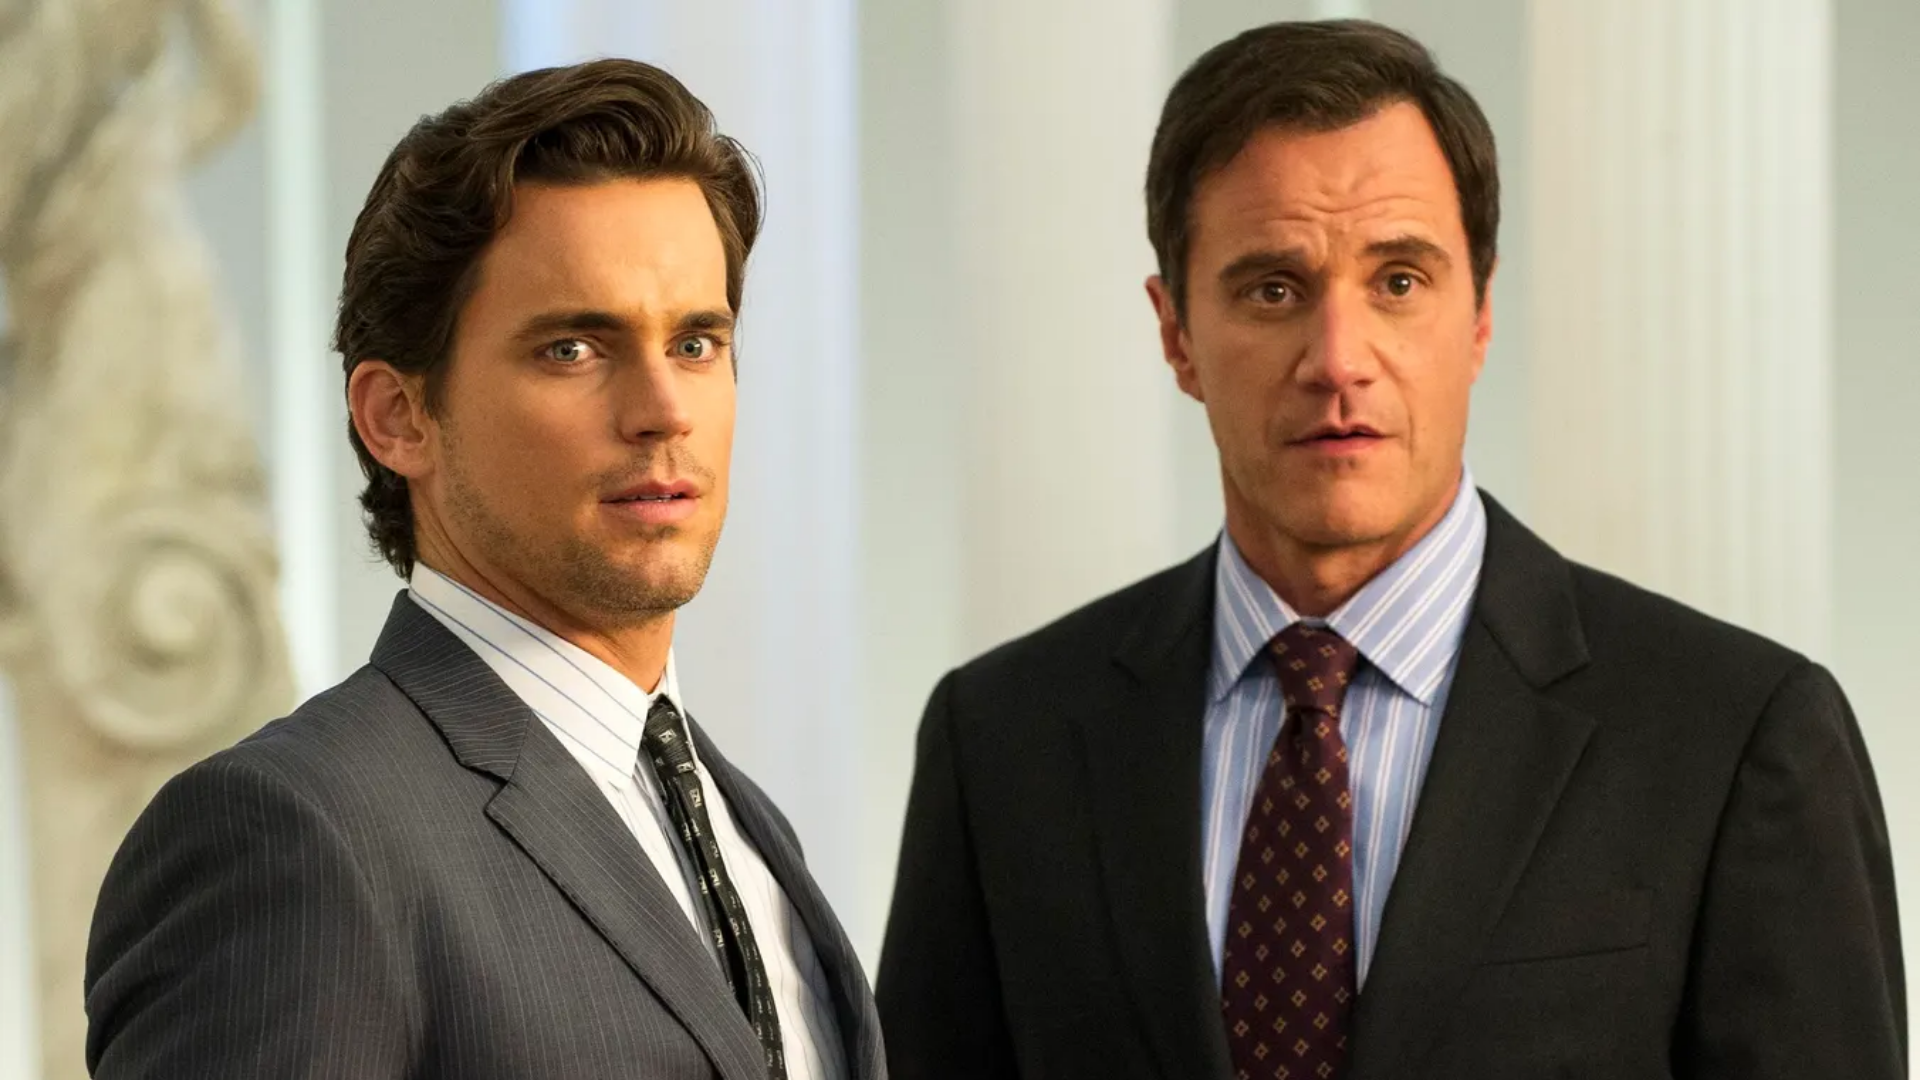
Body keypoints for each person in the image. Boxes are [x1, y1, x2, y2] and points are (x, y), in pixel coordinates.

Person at [875, 19, 1903, 1080]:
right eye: (1273, 288)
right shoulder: (1000, 741)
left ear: (1481, 314)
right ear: (1175, 332)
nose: (1338, 359)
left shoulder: (1734, 735)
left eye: (1400, 281)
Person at [85, 59, 881, 1080]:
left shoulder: (749, 830)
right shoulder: (295, 833)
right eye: (572, 350)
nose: (663, 411)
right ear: (397, 418)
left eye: (695, 343)